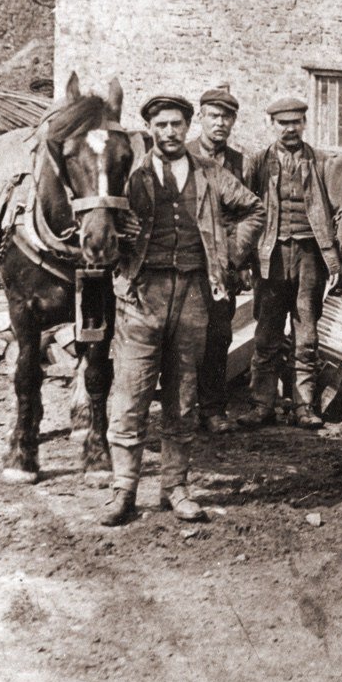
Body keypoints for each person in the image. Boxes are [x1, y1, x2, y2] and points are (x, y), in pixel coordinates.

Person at [101, 94, 264, 526]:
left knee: (183, 396)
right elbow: (97, 212)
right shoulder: (129, 174)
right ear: (150, 128)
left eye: (177, 124)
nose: (170, 132)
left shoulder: (210, 173)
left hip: (194, 294)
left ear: (188, 127)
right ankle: (124, 489)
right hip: (141, 296)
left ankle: (175, 487)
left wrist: (228, 253)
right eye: (162, 125)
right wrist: (119, 229)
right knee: (131, 393)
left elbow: (253, 209)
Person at [240, 97, 342, 430]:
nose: (290, 129)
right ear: (272, 125)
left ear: (304, 124)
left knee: (307, 333)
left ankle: (304, 406)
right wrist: (243, 257)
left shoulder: (322, 163)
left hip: (310, 256)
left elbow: (339, 211)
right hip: (270, 257)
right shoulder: (257, 163)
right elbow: (245, 211)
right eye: (284, 123)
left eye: (296, 122)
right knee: (267, 332)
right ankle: (261, 404)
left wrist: (337, 257)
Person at [188, 85, 247, 434]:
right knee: (182, 338)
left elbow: (250, 212)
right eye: (213, 115)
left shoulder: (241, 163)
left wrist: (239, 260)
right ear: (200, 118)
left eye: (227, 117)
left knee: (218, 334)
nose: (220, 123)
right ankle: (181, 406)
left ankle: (212, 408)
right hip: (186, 262)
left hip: (222, 268)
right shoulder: (181, 155)